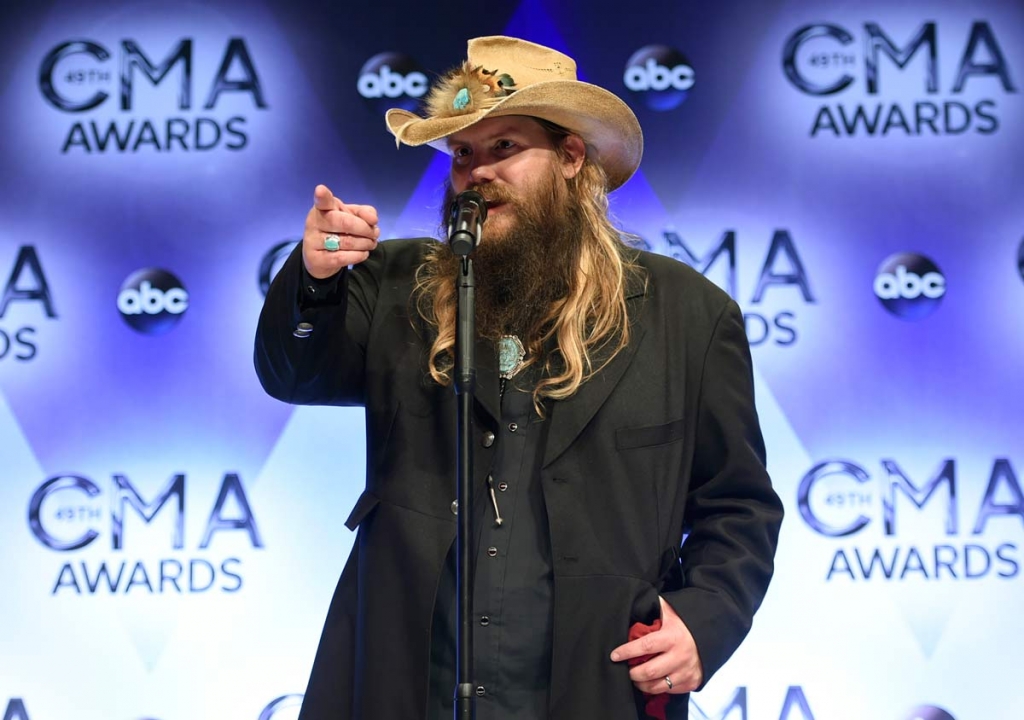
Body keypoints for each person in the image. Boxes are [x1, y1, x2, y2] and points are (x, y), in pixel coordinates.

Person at [254, 35, 783, 720]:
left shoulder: (687, 315)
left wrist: (704, 620)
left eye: (505, 147)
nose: (477, 172)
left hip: (594, 685)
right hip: (410, 679)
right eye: (463, 154)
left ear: (571, 158)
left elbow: (738, 505)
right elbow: (292, 370)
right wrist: (316, 281)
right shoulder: (397, 286)